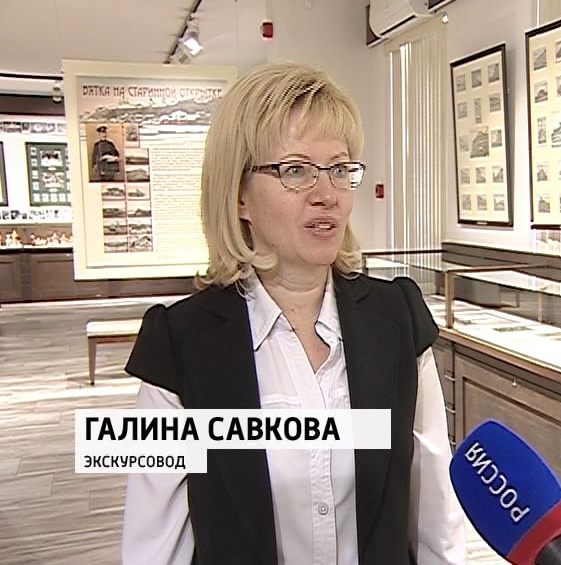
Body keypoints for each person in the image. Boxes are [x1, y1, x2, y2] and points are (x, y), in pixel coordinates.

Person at [121, 61, 466, 565]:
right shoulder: (179, 345)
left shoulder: (397, 320)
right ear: (239, 195)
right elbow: (155, 545)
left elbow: (435, 511)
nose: (327, 195)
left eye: (340, 170)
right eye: (296, 170)